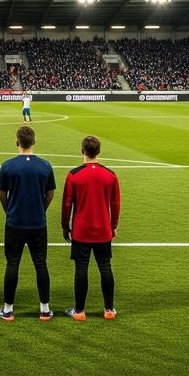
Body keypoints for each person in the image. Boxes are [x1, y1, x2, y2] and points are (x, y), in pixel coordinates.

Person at [0, 126, 56, 322]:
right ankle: (45, 310)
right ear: (34, 142)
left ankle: (8, 309)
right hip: (38, 223)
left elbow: (2, 195)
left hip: (15, 223)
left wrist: (10, 211)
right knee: (41, 264)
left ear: (17, 142)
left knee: (12, 263)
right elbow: (50, 193)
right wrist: (41, 209)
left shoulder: (7, 166)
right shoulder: (45, 166)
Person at [61, 135, 120, 321]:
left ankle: (79, 312)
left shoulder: (74, 175)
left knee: (81, 268)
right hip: (103, 230)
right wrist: (114, 226)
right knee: (105, 267)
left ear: (82, 151)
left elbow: (66, 204)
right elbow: (115, 203)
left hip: (81, 231)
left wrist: (65, 226)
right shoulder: (110, 175)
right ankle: (109, 310)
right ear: (99, 152)